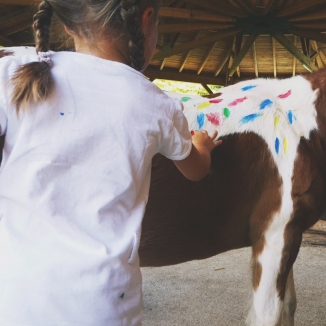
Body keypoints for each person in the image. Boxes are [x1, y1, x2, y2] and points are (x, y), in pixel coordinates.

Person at [0, 1, 221, 325]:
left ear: (67, 24)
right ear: (147, 20)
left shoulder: (14, 75)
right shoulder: (156, 103)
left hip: (14, 294)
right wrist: (201, 144)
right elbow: (196, 169)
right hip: (103, 303)